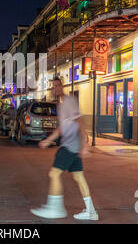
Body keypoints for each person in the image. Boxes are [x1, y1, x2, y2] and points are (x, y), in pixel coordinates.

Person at [30, 77, 98, 221]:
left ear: (62, 86)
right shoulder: (60, 106)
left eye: (58, 85)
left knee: (54, 174)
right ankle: (91, 211)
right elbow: (62, 127)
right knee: (79, 177)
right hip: (71, 145)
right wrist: (48, 140)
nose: (56, 89)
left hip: (70, 145)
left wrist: (85, 144)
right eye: (53, 87)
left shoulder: (69, 101)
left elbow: (80, 121)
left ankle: (55, 209)